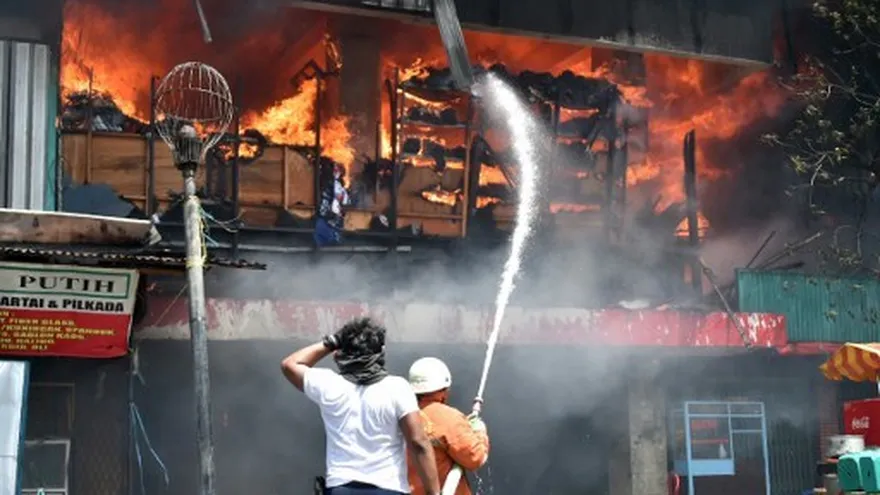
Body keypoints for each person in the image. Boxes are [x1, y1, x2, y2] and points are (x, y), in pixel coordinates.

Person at [281, 318, 442, 495]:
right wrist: (434, 492)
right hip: (388, 489)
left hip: (341, 489)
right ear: (380, 352)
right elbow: (418, 442)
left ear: (341, 352)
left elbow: (290, 364)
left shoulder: (328, 385)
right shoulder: (397, 388)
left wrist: (332, 341)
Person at [406, 357, 490, 495]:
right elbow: (475, 458)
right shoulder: (448, 418)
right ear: (444, 390)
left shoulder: (401, 414)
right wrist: (479, 431)